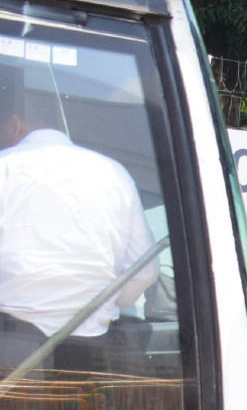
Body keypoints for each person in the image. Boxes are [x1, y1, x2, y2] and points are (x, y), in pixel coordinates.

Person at [0, 85, 159, 374]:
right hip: (91, 353)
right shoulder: (114, 173)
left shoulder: (4, 167)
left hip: (9, 348)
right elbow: (145, 270)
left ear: (14, 126)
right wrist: (103, 308)